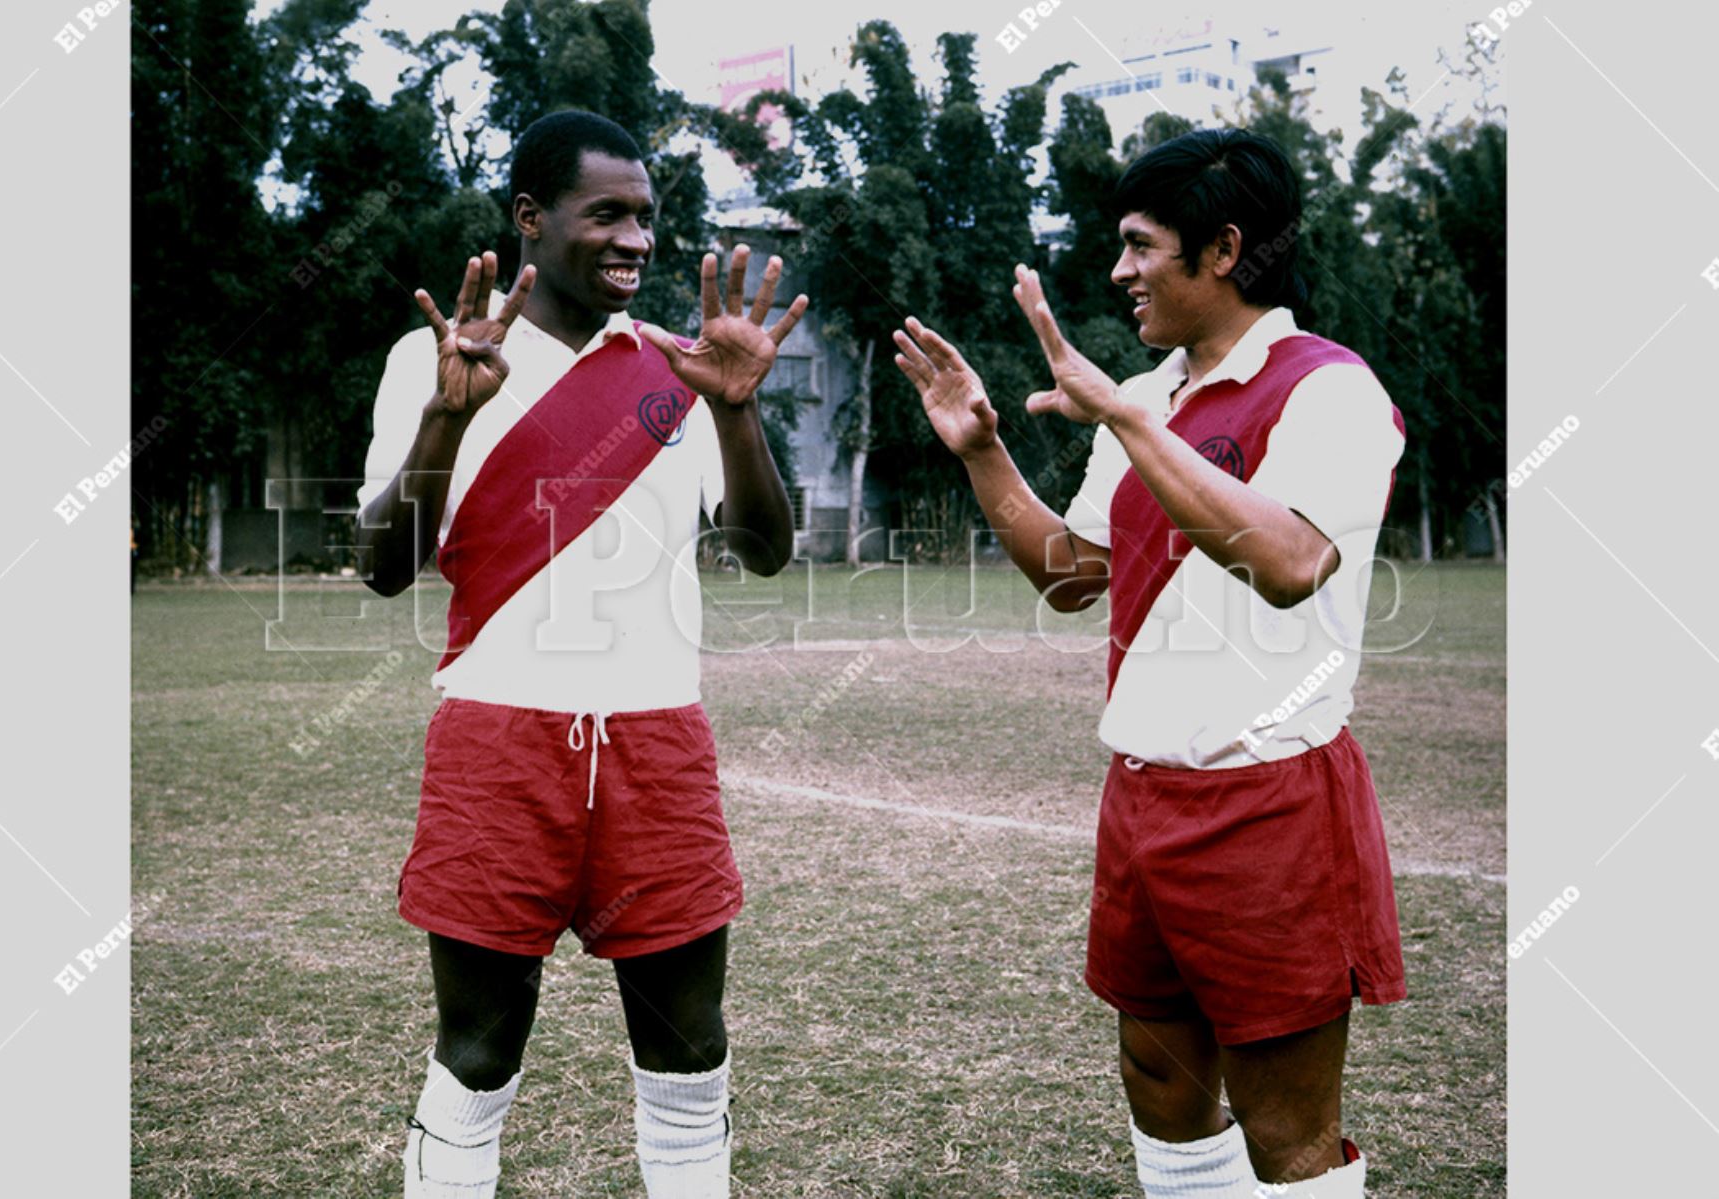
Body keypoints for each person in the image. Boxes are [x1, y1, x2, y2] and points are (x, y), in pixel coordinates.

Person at [892, 128, 1406, 1198]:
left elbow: (1292, 559)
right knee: (1159, 1080)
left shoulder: (1328, 388)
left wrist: (1127, 417)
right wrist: (983, 449)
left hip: (1270, 805)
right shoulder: (1148, 393)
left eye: (1139, 245)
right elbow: (1075, 574)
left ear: (1223, 251)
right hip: (1142, 799)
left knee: (1286, 1124)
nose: (1119, 271)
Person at [355, 109, 807, 1198]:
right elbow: (381, 562)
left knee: (690, 1051)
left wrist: (736, 412)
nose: (635, 239)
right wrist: (446, 420)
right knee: (477, 1053)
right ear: (530, 217)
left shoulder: (675, 367)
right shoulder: (439, 354)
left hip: (658, 743)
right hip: (499, 742)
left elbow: (765, 548)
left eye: (646, 218)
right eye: (605, 212)